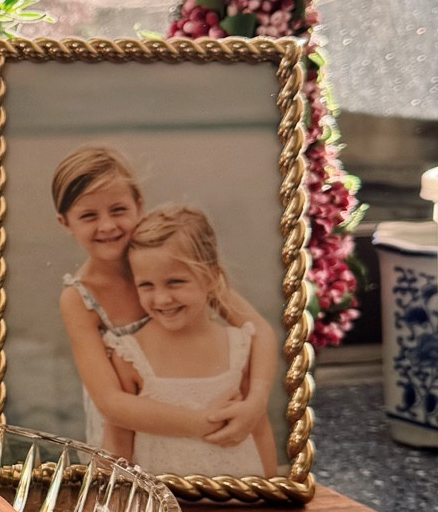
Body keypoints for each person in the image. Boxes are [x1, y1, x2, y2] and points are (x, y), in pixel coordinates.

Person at [53, 146, 277, 462]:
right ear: (65, 222)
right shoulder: (79, 298)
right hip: (131, 434)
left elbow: (260, 331)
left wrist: (255, 402)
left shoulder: (168, 261)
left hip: (203, 418)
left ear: (138, 205)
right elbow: (111, 402)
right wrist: (200, 422)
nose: (107, 226)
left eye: (118, 210)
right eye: (89, 215)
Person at [107, 205, 279, 477]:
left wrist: (272, 492)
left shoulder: (240, 347)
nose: (162, 299)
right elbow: (118, 440)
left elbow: (258, 426)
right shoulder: (129, 354)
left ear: (210, 277)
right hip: (165, 505)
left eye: (175, 282)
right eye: (146, 285)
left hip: (239, 494)